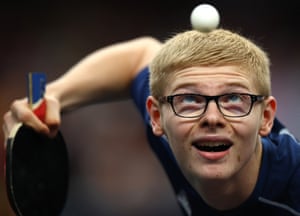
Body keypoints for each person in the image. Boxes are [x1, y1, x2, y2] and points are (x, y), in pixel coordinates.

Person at [3, 29, 300, 215]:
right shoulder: (175, 133)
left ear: (266, 118)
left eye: (234, 100)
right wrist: (53, 95)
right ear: (157, 117)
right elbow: (140, 55)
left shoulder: (292, 184)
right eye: (190, 100)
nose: (212, 118)